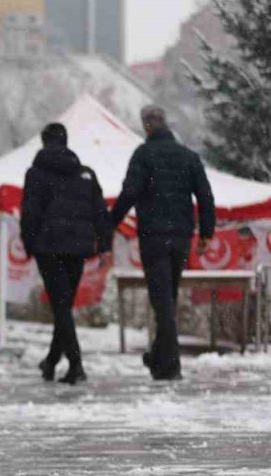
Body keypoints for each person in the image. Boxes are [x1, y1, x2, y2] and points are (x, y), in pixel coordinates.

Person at [110, 106, 215, 381]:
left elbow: (130, 192)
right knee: (168, 298)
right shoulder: (188, 157)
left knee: (162, 300)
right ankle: (159, 358)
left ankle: (170, 366)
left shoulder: (143, 155)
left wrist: (108, 224)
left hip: (154, 236)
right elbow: (205, 196)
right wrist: (206, 233)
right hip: (181, 237)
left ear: (146, 126)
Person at [21, 123, 112, 385]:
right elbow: (100, 212)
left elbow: (30, 213)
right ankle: (51, 361)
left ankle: (76, 366)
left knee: (61, 307)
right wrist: (104, 245)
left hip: (48, 248)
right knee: (64, 306)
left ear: (43, 142)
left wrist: (29, 245)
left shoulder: (36, 173)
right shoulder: (85, 174)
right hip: (78, 249)